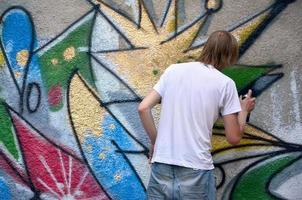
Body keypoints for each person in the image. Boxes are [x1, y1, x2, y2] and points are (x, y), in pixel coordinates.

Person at [138, 30, 256, 200]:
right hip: (196, 170)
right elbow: (234, 138)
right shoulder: (225, 84)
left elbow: (143, 108)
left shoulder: (173, 71)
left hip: (161, 166)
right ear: (229, 56)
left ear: (206, 48)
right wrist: (244, 111)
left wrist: (156, 143)